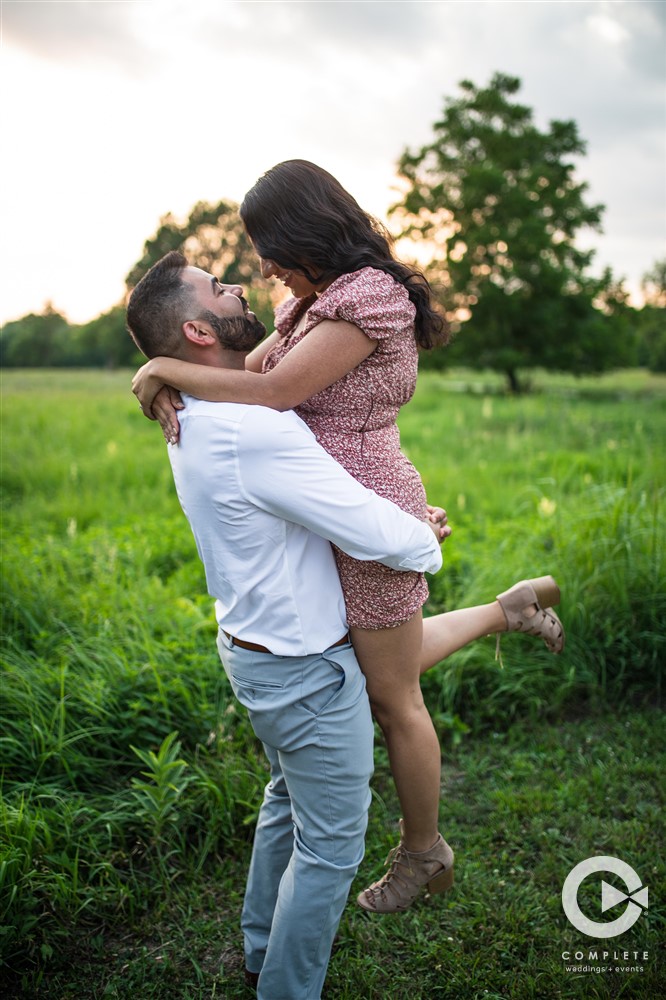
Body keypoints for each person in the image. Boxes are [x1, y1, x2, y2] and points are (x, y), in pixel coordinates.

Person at [132, 160, 565, 914]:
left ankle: (424, 850)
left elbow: (273, 390)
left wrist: (164, 365)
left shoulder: (370, 297)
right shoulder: (312, 302)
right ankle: (510, 609)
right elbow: (250, 365)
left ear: (303, 230)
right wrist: (166, 373)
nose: (262, 266)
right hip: (327, 508)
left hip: (363, 514)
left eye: (266, 245)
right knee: (375, 663)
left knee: (393, 695)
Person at [125, 250, 449, 999]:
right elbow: (379, 536)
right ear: (201, 330)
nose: (241, 283)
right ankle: (286, 989)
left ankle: (258, 945)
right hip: (305, 669)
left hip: (255, 650)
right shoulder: (253, 431)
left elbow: (321, 491)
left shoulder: (205, 410)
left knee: (285, 802)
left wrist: (157, 373)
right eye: (219, 286)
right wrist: (421, 534)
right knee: (332, 846)